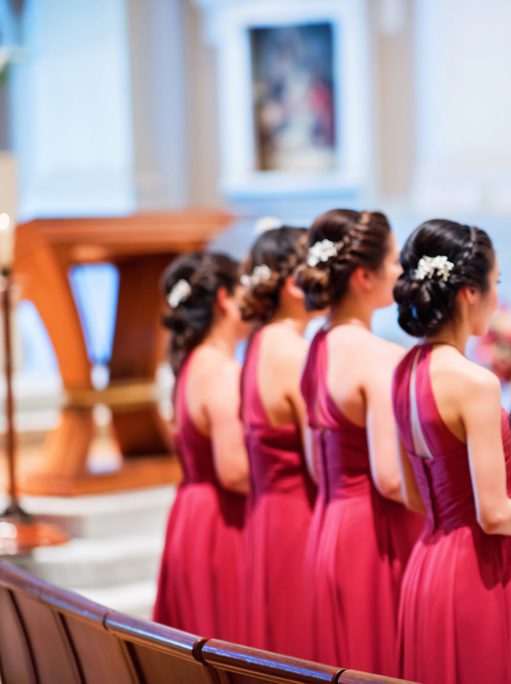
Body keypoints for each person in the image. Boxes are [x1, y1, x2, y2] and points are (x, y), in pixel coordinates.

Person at [391, 219, 511, 684]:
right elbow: (493, 513)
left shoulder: (402, 371)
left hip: (426, 566)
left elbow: (414, 496)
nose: (497, 297)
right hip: (477, 573)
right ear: (470, 293)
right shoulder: (473, 382)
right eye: (494, 283)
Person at [295, 209, 423, 674]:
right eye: (392, 261)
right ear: (365, 277)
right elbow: (390, 480)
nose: (398, 272)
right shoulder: (380, 357)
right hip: (373, 536)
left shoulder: (316, 345)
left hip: (327, 527)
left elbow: (314, 463)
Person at [153, 251, 250, 642]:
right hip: (223, 521)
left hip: (192, 513)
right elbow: (236, 471)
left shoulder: (191, 362)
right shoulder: (222, 371)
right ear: (225, 298)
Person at [237, 226, 318, 657]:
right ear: (292, 284)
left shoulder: (259, 342)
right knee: (298, 647)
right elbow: (318, 461)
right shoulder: (294, 351)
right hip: (298, 518)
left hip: (267, 514)